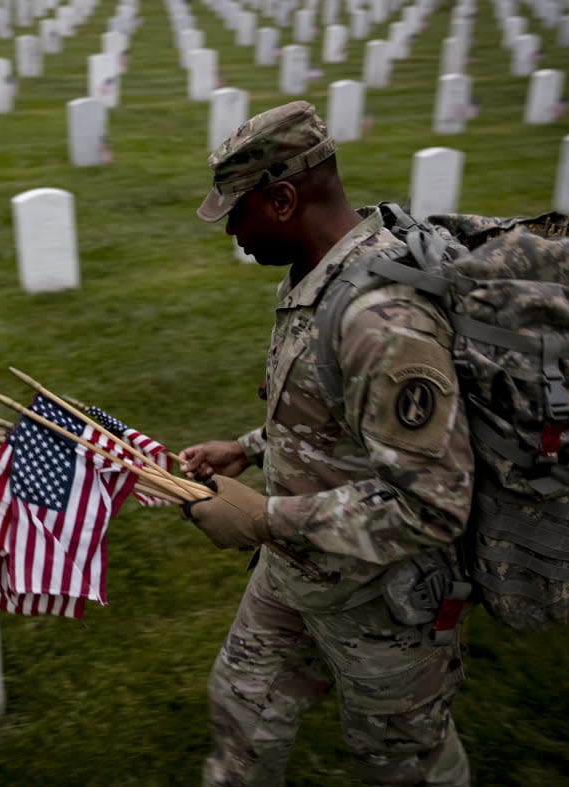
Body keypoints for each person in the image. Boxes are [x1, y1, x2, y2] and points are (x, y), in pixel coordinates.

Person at [178, 101, 476, 786]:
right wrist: (249, 447)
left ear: (283, 198)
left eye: (236, 209)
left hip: (382, 602)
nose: (230, 228)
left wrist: (261, 518)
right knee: (241, 709)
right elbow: (332, 409)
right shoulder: (318, 275)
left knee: (404, 766)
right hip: (297, 573)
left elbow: (433, 504)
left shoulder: (384, 319)